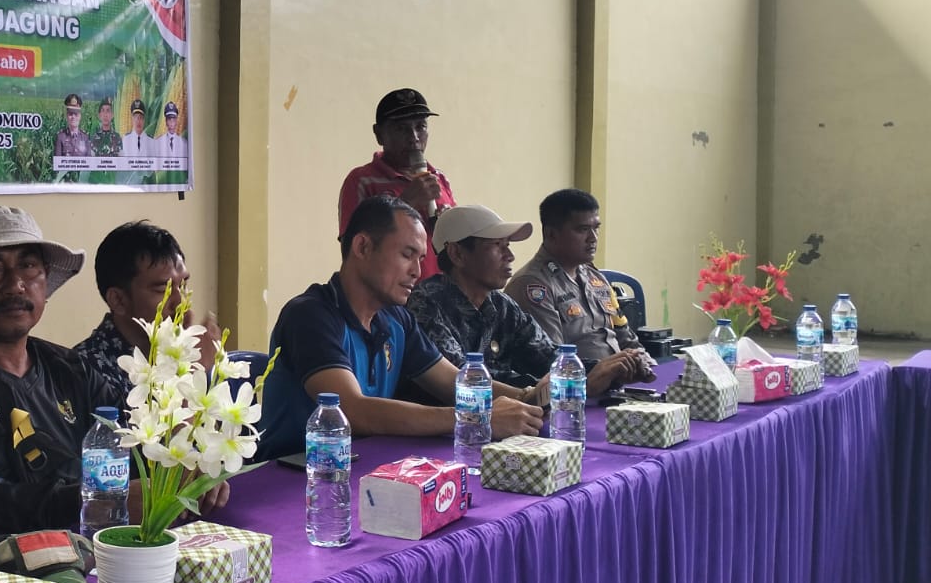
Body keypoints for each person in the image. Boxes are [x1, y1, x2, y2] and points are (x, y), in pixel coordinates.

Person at [0, 206, 226, 538]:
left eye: (29, 266)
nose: (16, 285)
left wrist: (189, 473)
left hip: (84, 549)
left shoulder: (71, 369)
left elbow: (135, 446)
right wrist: (91, 502)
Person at [256, 195, 544, 460]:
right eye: (407, 255)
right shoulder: (310, 315)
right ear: (362, 247)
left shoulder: (396, 319)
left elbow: (454, 384)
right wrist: (476, 418)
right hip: (294, 475)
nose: (417, 271)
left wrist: (528, 397)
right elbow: (353, 410)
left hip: (364, 465)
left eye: (421, 259)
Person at [405, 205, 649, 404]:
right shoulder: (426, 305)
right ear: (457, 254)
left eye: (508, 245)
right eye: (497, 246)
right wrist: (573, 385)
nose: (510, 256)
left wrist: (608, 370)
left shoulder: (501, 305)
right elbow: (463, 382)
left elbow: (548, 357)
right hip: (443, 434)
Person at [504, 188, 654, 383]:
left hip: (621, 382)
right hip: (577, 389)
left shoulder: (595, 278)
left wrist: (641, 359)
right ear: (551, 234)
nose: (593, 238)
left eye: (596, 228)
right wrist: (610, 371)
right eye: (582, 229)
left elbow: (625, 337)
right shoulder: (533, 286)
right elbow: (551, 361)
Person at [75, 221, 218, 396]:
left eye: (183, 285)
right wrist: (195, 376)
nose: (180, 303)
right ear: (118, 300)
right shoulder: (87, 372)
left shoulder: (179, 354)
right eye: (163, 289)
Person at [337, 88, 456, 280]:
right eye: (401, 129)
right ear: (379, 134)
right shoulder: (361, 180)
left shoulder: (439, 178)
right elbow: (351, 252)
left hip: (442, 293)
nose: (414, 137)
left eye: (421, 126)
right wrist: (405, 203)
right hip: (390, 295)